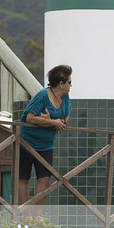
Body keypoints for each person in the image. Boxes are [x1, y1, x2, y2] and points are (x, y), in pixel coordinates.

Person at [19, 64, 72, 210]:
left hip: (46, 144)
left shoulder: (65, 97)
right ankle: (26, 215)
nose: (71, 85)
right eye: (69, 82)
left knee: (45, 179)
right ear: (61, 84)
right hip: (27, 142)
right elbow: (29, 118)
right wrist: (51, 122)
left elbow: (65, 119)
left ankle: (37, 217)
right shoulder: (42, 95)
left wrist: (51, 121)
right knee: (23, 178)